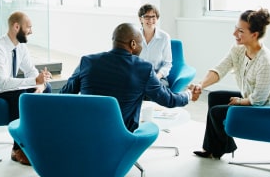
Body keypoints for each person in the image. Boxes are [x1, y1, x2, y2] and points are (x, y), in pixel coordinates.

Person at [60, 22, 198, 132]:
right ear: (133, 44)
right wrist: (188, 94)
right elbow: (168, 99)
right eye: (140, 43)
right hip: (122, 135)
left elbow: (64, 94)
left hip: (86, 131)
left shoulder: (87, 61)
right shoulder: (143, 68)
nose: (141, 47)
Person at [191, 8, 270, 159]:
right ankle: (214, 149)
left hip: (269, 109)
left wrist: (240, 101)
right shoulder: (238, 49)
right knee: (214, 97)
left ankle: (224, 147)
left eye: (240, 31)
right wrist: (201, 85)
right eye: (235, 28)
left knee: (216, 112)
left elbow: (259, 100)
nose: (234, 34)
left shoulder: (265, 62)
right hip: (254, 99)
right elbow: (220, 69)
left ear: (254, 34)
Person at [0, 11, 52, 165]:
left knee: (46, 90)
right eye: (28, 27)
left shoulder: (20, 47)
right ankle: (17, 149)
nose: (31, 31)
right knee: (19, 96)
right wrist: (35, 80)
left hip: (4, 88)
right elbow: (3, 83)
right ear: (16, 27)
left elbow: (30, 70)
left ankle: (36, 142)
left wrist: (40, 84)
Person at [138, 4, 172, 87]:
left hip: (157, 76)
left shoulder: (164, 37)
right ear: (140, 19)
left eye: (153, 17)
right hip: (138, 75)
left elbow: (167, 64)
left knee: (152, 89)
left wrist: (157, 77)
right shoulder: (134, 35)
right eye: (147, 17)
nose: (150, 20)